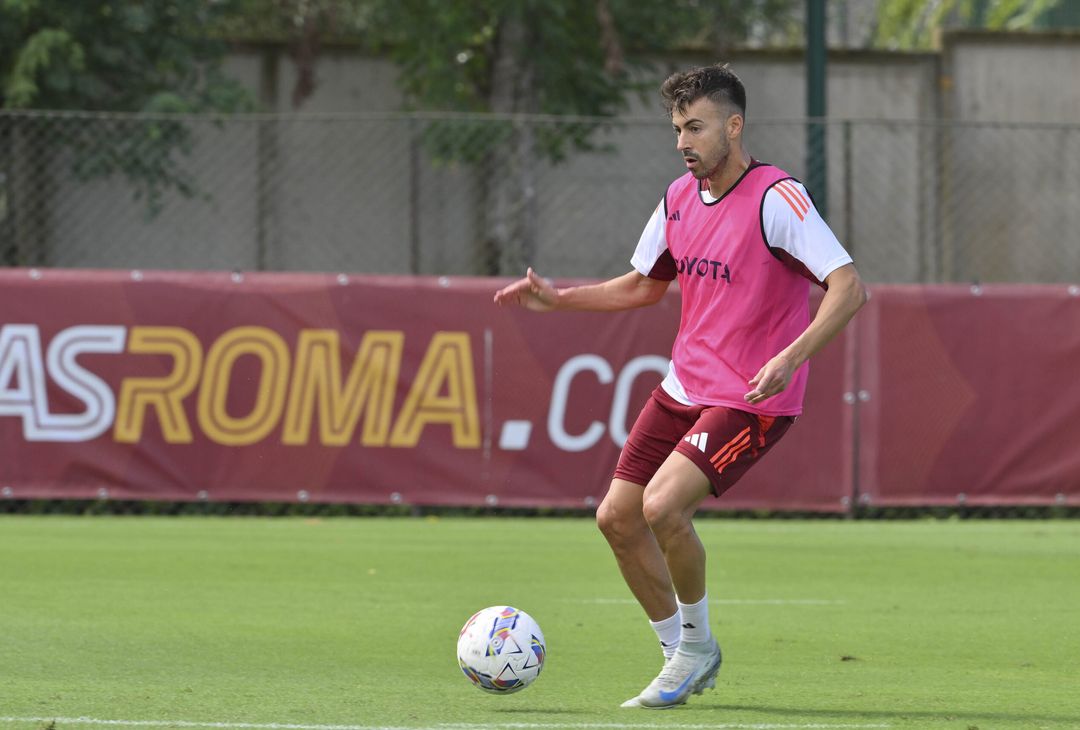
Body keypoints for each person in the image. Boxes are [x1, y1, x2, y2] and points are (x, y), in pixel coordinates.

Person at [493, 63, 867, 709]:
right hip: (684, 385)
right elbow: (643, 284)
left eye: (695, 126)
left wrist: (792, 354)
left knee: (663, 508)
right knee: (615, 517)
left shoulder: (777, 198)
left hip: (752, 397)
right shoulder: (677, 199)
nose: (683, 141)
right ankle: (685, 652)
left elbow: (848, 287)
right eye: (677, 129)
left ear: (734, 124)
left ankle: (692, 650)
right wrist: (560, 301)